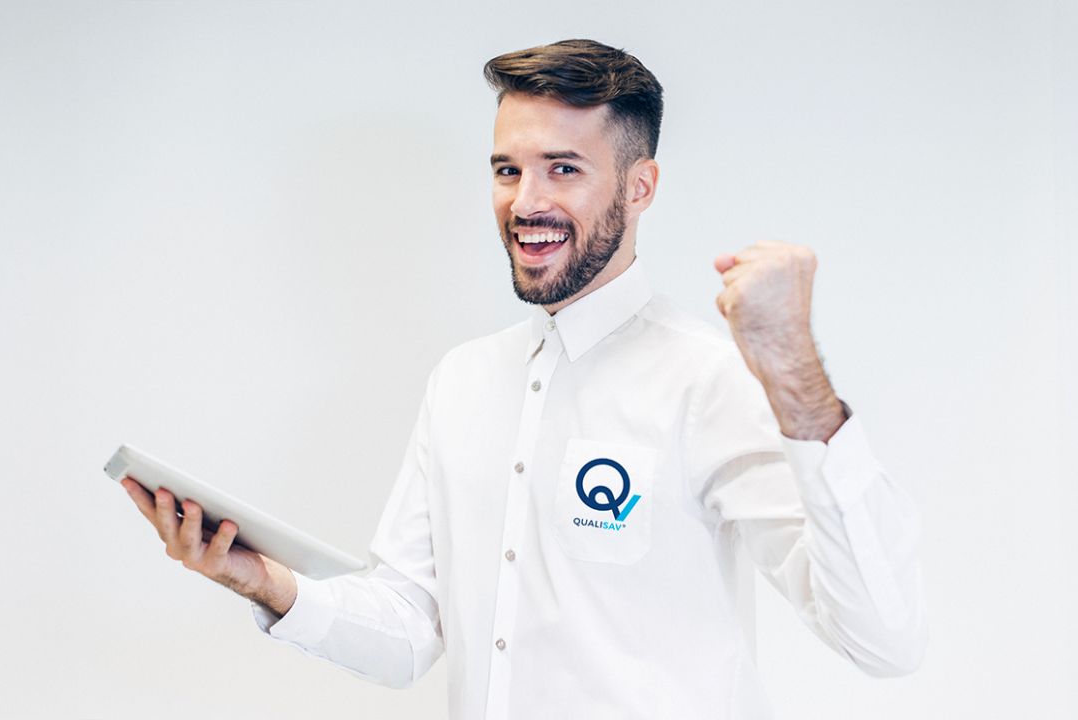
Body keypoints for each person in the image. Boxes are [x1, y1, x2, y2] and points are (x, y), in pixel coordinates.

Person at [118, 38, 926, 718]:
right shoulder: (463, 382)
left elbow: (883, 640)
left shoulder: (709, 380)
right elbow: (410, 631)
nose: (525, 202)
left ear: (640, 186)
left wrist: (795, 374)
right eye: (507, 170)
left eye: (563, 169)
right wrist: (261, 581)